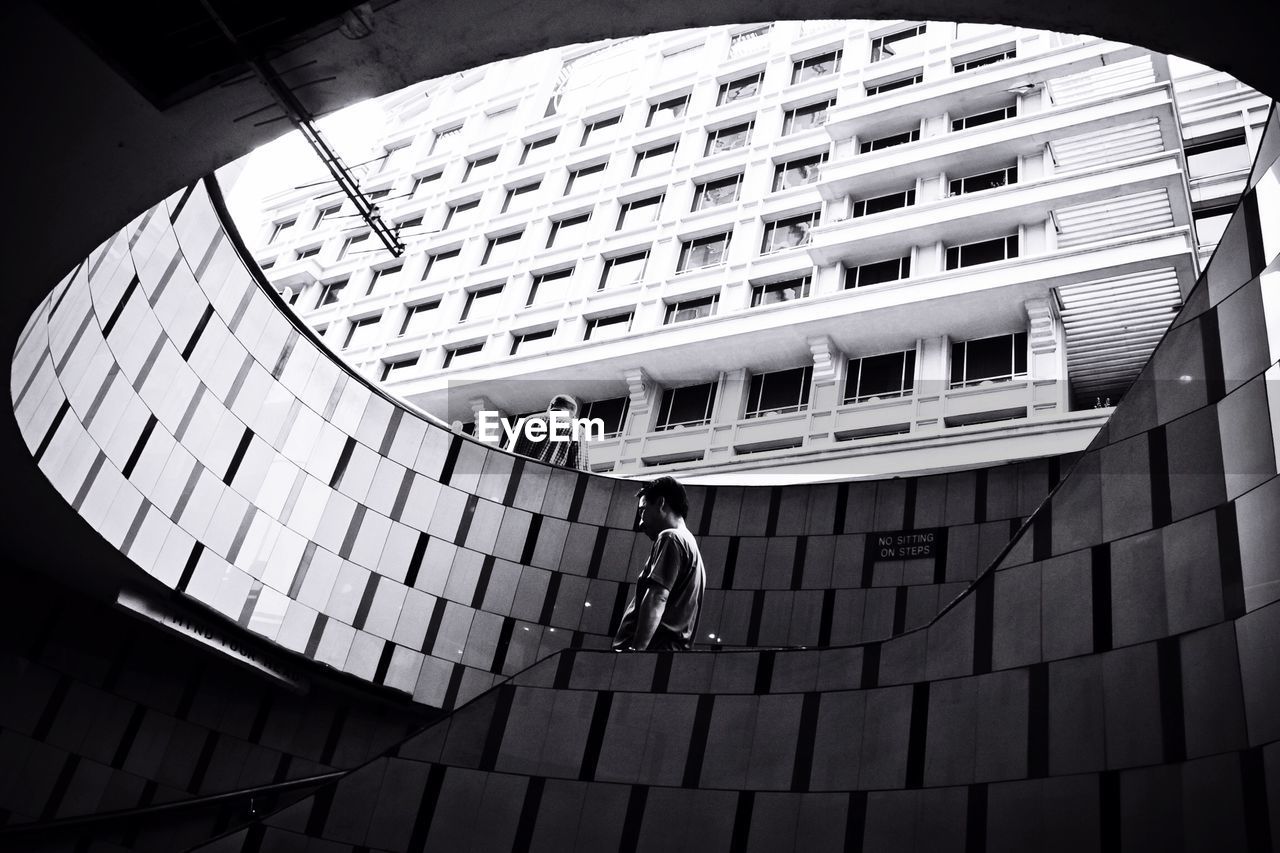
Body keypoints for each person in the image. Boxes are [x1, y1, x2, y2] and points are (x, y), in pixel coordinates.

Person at [612, 476, 706, 652]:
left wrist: (636, 651)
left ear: (661, 503)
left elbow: (658, 596)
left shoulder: (671, 537)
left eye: (642, 511)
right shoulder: (689, 545)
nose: (640, 523)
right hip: (664, 654)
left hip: (650, 654)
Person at [505, 393, 590, 471]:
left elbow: (503, 454)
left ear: (551, 406)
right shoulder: (578, 430)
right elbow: (580, 470)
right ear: (573, 416)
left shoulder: (525, 422)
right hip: (544, 483)